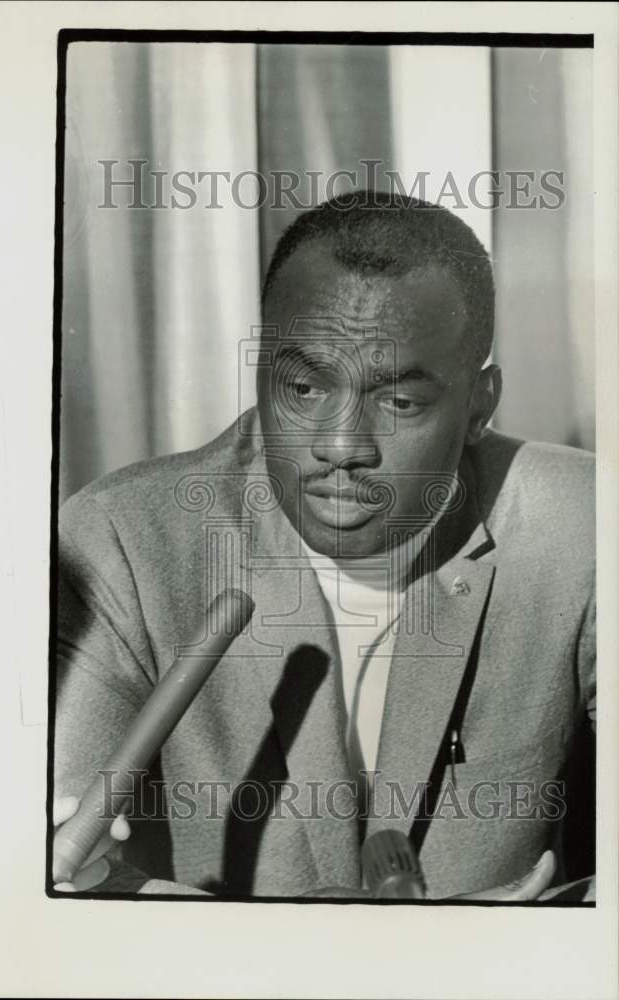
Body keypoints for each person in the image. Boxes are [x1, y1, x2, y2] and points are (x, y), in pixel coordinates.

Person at [53, 191, 595, 900]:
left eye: (399, 402)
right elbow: (68, 872)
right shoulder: (120, 540)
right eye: (304, 387)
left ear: (479, 406)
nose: (341, 446)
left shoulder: (583, 521)